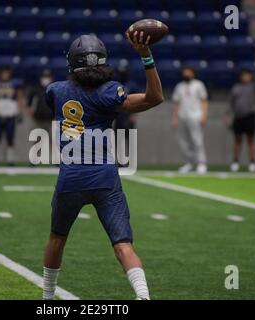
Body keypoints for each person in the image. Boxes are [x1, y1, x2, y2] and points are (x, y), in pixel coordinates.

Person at [42, 32, 164, 300]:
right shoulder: (110, 92)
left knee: (57, 237)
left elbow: (55, 100)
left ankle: (47, 297)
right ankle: (143, 297)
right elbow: (155, 98)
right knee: (123, 245)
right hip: (105, 178)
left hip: (71, 177)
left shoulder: (57, 90)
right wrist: (146, 55)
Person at [172, 66, 209, 174]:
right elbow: (176, 103)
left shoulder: (198, 85)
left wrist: (204, 115)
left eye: (189, 72)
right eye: (185, 72)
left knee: (197, 140)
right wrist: (174, 118)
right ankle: (189, 163)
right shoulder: (179, 86)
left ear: (193, 73)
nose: (186, 74)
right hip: (182, 116)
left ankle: (201, 163)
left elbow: (204, 101)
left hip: (195, 116)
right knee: (183, 142)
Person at [0, 65, 24, 165]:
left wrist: (20, 112)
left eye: (7, 72)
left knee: (10, 137)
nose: (5, 75)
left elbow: (19, 98)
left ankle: (10, 160)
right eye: (3, 73)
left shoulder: (15, 83)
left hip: (11, 112)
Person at [227, 69, 255, 172]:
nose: (245, 77)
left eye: (247, 75)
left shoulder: (253, 87)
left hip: (250, 116)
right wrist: (228, 115)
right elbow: (231, 103)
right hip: (238, 116)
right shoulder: (236, 87)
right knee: (237, 140)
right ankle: (235, 161)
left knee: (251, 140)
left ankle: (252, 162)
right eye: (244, 75)